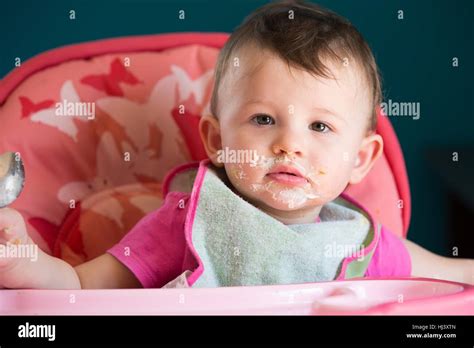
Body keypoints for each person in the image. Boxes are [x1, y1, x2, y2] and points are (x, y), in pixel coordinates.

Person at [0, 0, 472, 289]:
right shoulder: (190, 219)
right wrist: (24, 261)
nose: (290, 144)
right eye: (264, 119)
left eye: (321, 127)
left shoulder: (362, 244)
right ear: (217, 140)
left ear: (361, 159)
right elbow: (82, 286)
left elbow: (452, 276)